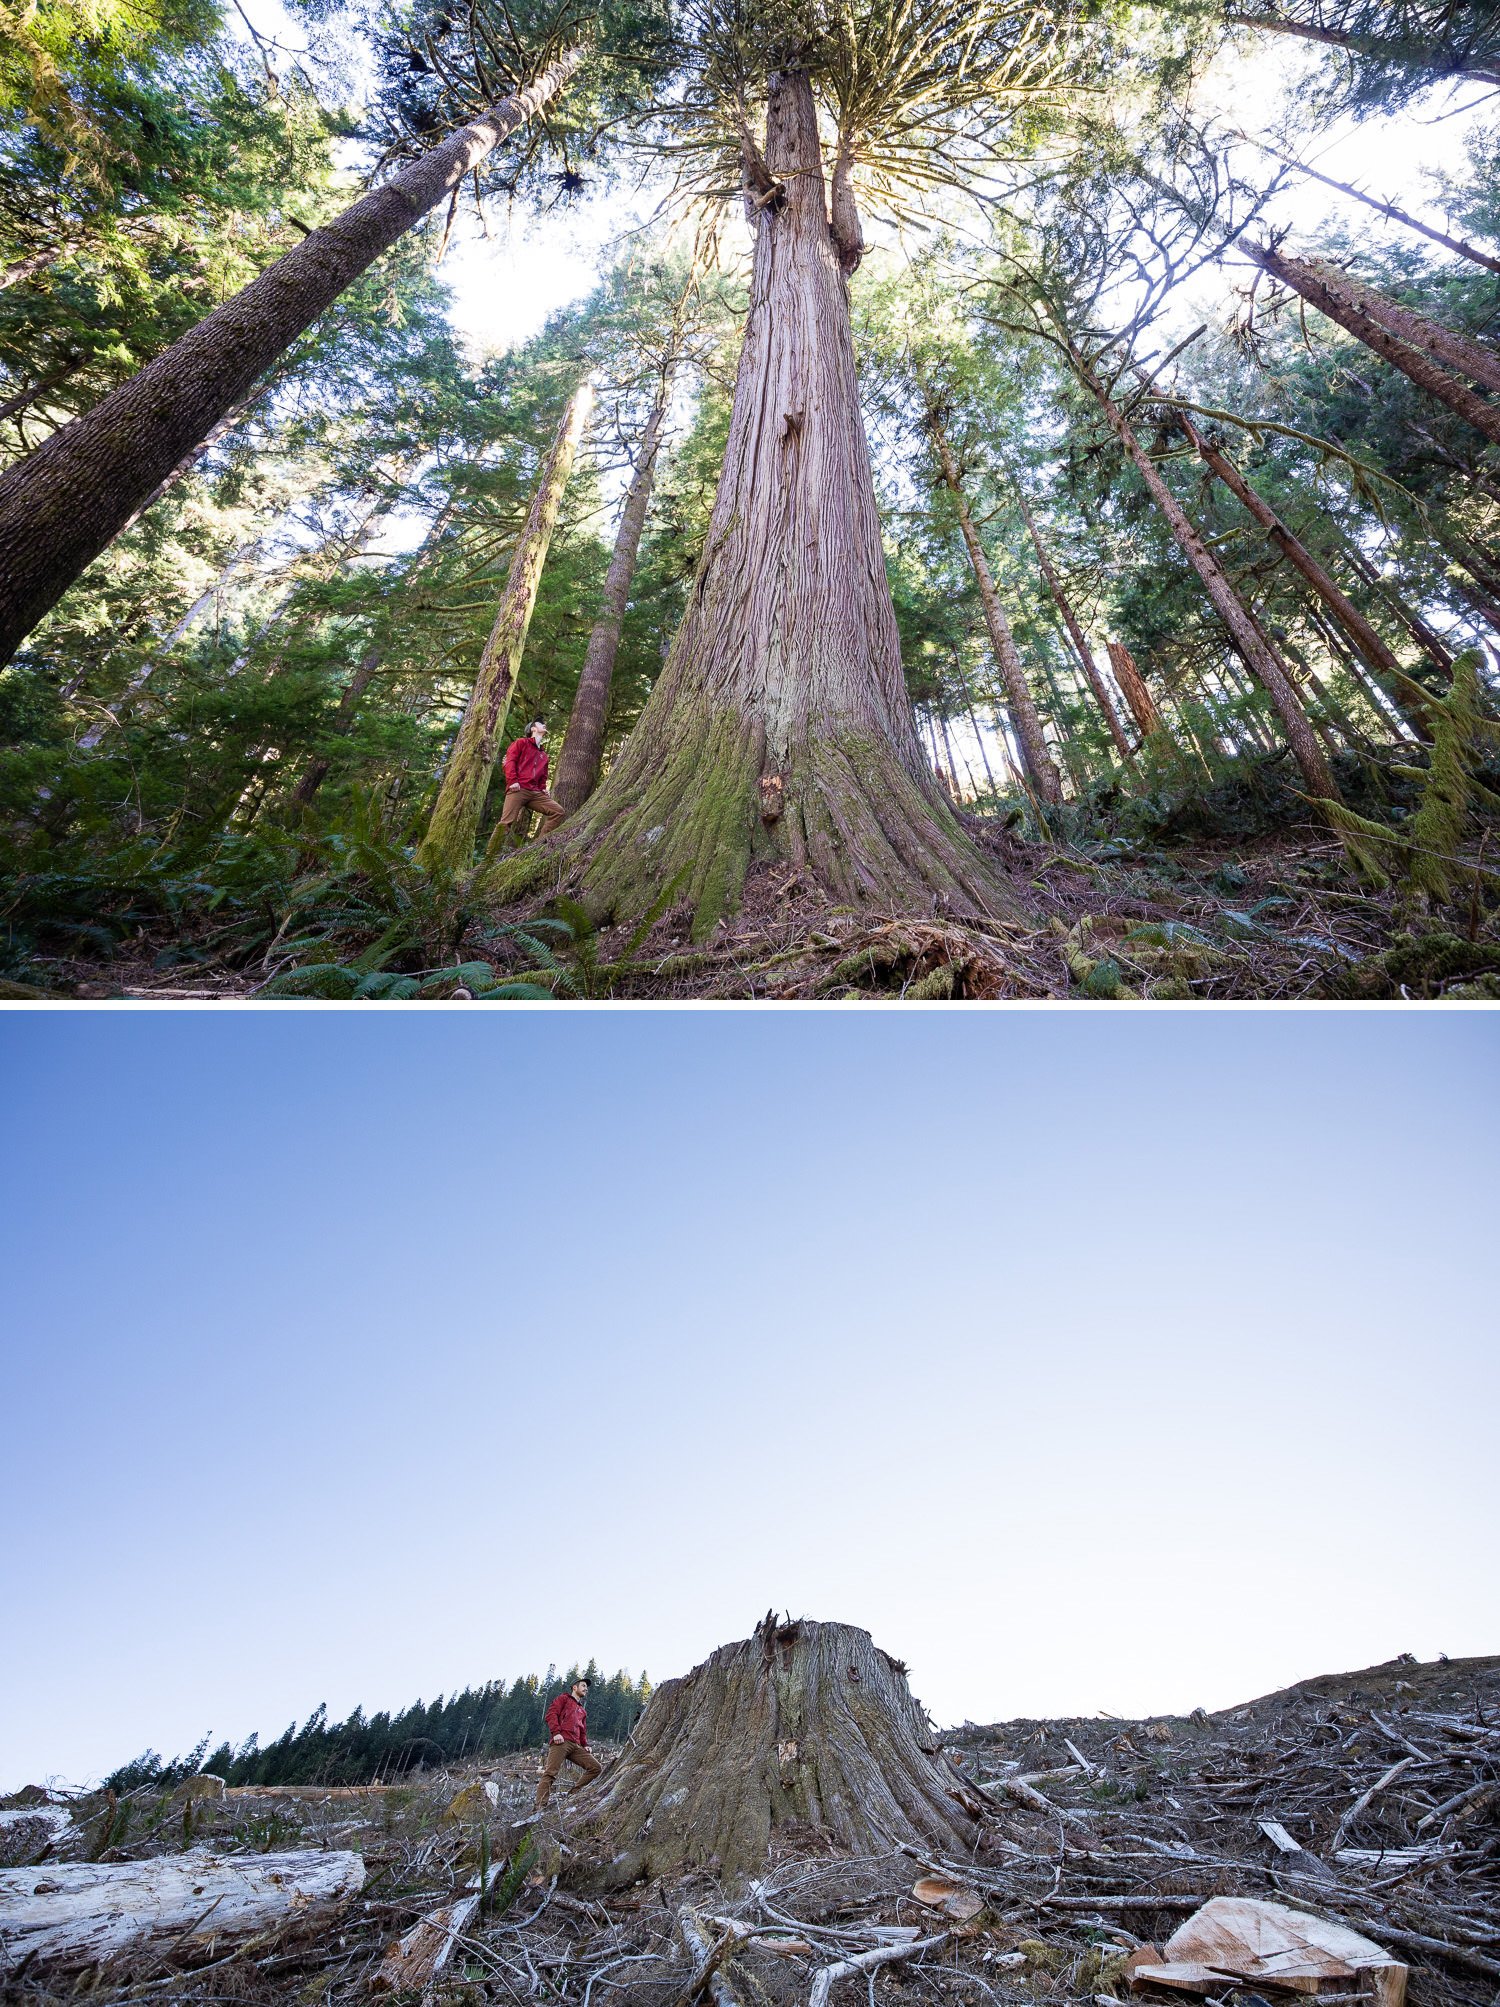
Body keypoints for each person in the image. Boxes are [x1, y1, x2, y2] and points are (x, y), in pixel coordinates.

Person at [535, 1675, 602, 1808]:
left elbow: (582, 1730)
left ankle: (572, 1795)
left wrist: (585, 1745)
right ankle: (539, 1808)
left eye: (587, 1687)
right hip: (561, 1742)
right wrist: (556, 1733)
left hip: (576, 1746)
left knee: (596, 1768)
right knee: (550, 1773)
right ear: (574, 1687)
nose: (586, 1689)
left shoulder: (582, 1710)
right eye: (583, 1686)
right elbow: (551, 1714)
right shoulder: (564, 1699)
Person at [500, 719, 567, 841]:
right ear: (533, 729)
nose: (544, 725)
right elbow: (510, 761)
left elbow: (543, 775)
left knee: (558, 812)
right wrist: (513, 781)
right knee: (505, 824)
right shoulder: (521, 743)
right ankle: (489, 858)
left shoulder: (544, 755)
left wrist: (542, 788)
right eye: (541, 724)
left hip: (535, 793)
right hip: (518, 788)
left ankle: (538, 846)